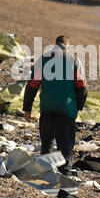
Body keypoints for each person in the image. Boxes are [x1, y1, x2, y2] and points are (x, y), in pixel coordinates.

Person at [23, 36, 88, 176]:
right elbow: (82, 87)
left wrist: (27, 108)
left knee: (46, 142)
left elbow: (32, 85)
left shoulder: (43, 58)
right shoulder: (74, 59)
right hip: (67, 108)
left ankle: (43, 171)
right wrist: (79, 106)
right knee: (66, 144)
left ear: (55, 45)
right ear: (68, 47)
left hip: (47, 107)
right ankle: (64, 173)